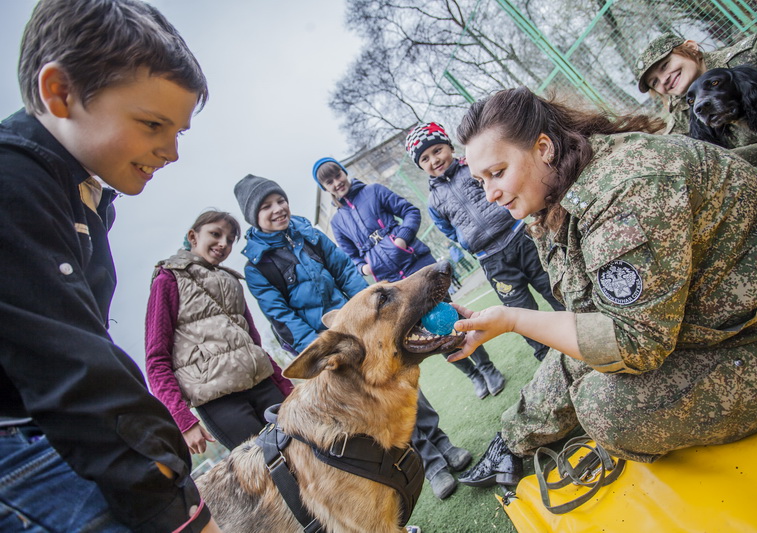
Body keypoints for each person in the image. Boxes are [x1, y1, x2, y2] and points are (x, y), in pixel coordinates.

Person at [449, 86, 757, 488]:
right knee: (584, 351)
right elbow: (589, 323)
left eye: (497, 173)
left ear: (544, 148)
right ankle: (512, 443)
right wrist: (516, 436)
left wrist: (512, 319)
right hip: (731, 319)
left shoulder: (624, 188)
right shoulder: (554, 196)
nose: (490, 193)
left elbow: (632, 343)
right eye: (480, 181)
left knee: (608, 409)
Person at [0, 0, 220, 531]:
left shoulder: (87, 196)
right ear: (60, 92)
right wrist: (171, 502)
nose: (170, 151)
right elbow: (69, 363)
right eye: (151, 123)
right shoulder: (13, 184)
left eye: (179, 132)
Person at [234, 174, 472, 500]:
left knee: (402, 379)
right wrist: (325, 349)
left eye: (280, 199)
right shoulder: (258, 266)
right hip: (335, 346)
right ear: (253, 217)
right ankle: (430, 464)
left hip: (364, 322)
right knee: (382, 404)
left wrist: (376, 308)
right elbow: (281, 316)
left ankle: (442, 442)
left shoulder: (307, 233)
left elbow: (344, 269)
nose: (278, 208)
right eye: (267, 206)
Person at [312, 157, 506, 399]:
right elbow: (351, 255)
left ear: (344, 173)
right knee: (429, 335)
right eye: (329, 182)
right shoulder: (337, 221)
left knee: (449, 318)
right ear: (325, 188)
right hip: (394, 287)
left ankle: (487, 368)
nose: (336, 183)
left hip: (419, 268)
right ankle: (473, 375)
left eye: (337, 175)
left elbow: (410, 211)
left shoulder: (373, 191)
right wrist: (365, 268)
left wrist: (401, 239)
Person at [405, 122, 565, 362]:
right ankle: (546, 356)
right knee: (518, 309)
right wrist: (467, 239)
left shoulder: (473, 168)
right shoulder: (434, 201)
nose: (434, 160)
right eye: (425, 159)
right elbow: (448, 229)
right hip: (491, 259)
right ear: (420, 166)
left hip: (520, 238)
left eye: (437, 150)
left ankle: (575, 327)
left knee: (553, 286)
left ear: (449, 146)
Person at [145, 210, 294, 453]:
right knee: (270, 468)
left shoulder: (232, 281)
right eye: (215, 234)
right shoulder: (168, 279)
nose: (223, 243)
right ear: (193, 236)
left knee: (308, 453)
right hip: (219, 401)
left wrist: (286, 387)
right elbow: (156, 360)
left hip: (265, 386)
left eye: (230, 239)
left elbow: (254, 343)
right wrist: (183, 421)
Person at [633, 15, 757, 191]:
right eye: (655, 82)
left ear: (691, 48)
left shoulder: (749, 56)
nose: (664, 80)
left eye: (665, 66)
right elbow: (667, 155)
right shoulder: (684, 116)